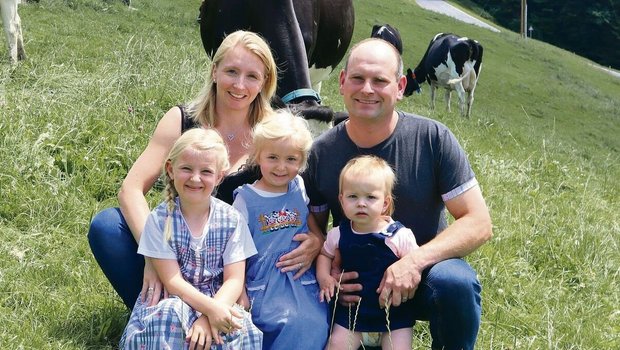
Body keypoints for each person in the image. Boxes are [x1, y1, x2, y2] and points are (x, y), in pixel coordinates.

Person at [88, 30, 322, 310]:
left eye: (252, 76)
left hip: (245, 265)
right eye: (231, 71)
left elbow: (303, 198)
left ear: (265, 82)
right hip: (179, 253)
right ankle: (157, 315)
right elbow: (131, 190)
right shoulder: (182, 119)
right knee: (107, 227)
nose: (239, 85)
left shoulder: (276, 132)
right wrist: (154, 254)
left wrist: (318, 239)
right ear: (214, 71)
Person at [303, 38, 493, 350]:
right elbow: (315, 225)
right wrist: (329, 269)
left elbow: (478, 222)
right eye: (358, 79)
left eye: (380, 80)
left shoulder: (432, 138)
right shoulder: (321, 152)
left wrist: (414, 262)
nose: (367, 89)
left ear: (401, 86)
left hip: (423, 276)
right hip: (356, 282)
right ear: (341, 82)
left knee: (456, 284)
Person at [119, 128, 262, 349]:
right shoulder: (160, 219)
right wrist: (209, 309)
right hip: (177, 297)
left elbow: (234, 279)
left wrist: (210, 315)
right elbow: (172, 281)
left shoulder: (232, 219)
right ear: (171, 169)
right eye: (186, 168)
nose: (195, 178)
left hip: (219, 297)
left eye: (206, 171)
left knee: (235, 326)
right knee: (169, 315)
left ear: (219, 176)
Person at [232, 110, 329, 349]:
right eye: (273, 157)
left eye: (291, 159)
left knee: (315, 322)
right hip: (265, 280)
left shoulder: (298, 187)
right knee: (281, 322)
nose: (281, 167)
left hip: (300, 275)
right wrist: (239, 287)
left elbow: (310, 223)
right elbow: (234, 248)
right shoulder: (246, 199)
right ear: (258, 156)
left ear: (302, 161)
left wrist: (316, 239)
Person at [317, 155, 418, 350]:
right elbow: (325, 255)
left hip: (394, 317)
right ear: (341, 200)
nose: (361, 203)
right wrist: (324, 277)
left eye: (370, 197)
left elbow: (414, 266)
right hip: (352, 316)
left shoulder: (399, 235)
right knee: (335, 345)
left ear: (385, 203)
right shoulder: (338, 234)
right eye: (352, 196)